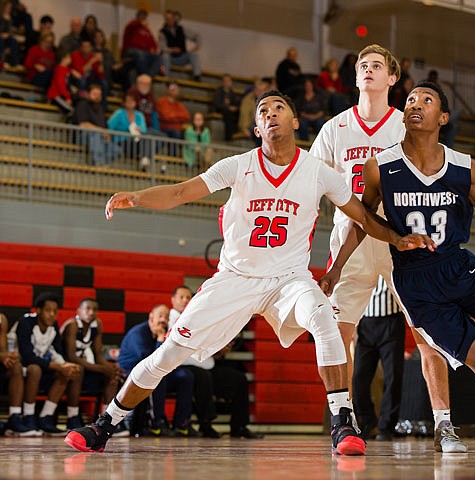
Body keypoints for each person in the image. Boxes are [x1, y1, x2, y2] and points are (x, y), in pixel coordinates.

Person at [64, 89, 433, 454]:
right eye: (263, 111)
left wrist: (398, 239)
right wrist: (138, 197)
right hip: (234, 278)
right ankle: (105, 423)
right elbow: (180, 193)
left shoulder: (318, 171)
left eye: (278, 107)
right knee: (170, 352)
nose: (270, 113)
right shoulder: (238, 165)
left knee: (325, 316)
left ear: (294, 121)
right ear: (257, 128)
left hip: (289, 279)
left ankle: (343, 422)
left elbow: (363, 217)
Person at [321, 81, 475, 455]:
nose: (414, 104)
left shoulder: (462, 167)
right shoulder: (380, 167)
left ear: (443, 117)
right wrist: (338, 266)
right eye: (409, 100)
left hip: (460, 268)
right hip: (417, 284)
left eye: (426, 100)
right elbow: (363, 220)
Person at [309, 44, 467, 453]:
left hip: (402, 241)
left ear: (392, 79)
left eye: (377, 66)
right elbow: (310, 187)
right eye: (363, 65)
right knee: (335, 332)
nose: (368, 70)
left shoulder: (407, 125)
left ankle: (444, 425)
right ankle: (342, 418)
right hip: (352, 239)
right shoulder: (335, 128)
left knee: (426, 334)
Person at [168, 286, 262, 439]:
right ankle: (206, 425)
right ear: (173, 300)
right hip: (185, 367)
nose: (185, 300)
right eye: (181, 297)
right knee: (202, 376)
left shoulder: (196, 316)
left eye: (188, 297)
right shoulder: (171, 319)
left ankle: (239, 426)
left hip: (205, 364)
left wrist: (218, 349)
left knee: (238, 379)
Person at [117, 305, 194, 436]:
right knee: (157, 376)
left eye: (166, 317)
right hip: (131, 373)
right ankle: (156, 423)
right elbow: (151, 362)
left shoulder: (166, 332)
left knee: (185, 376)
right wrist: (159, 340)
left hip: (153, 371)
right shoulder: (138, 334)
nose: (163, 320)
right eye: (160, 316)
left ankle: (181, 423)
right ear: (151, 317)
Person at [17, 293, 83, 435]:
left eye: (55, 311)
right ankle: (28, 416)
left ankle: (45, 417)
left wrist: (65, 366)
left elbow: (56, 351)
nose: (52, 314)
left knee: (68, 371)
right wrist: (58, 366)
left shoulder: (53, 326)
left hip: (41, 366)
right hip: (17, 366)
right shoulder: (26, 322)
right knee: (35, 369)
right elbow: (27, 356)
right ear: (38, 310)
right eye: (48, 310)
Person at [352, 277, 405, 441]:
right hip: (366, 324)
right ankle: (368, 421)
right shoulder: (362, 260)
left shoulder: (394, 256)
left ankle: (386, 426)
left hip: (391, 321)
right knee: (359, 378)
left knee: (393, 377)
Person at [60, 298, 122, 419]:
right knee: (79, 370)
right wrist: (100, 368)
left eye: (94, 309)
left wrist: (109, 368)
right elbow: (71, 356)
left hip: (84, 364)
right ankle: (72, 417)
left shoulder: (97, 324)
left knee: (112, 374)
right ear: (78, 311)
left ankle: (108, 418)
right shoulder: (72, 325)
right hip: (65, 365)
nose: (91, 312)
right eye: (87, 309)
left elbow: (98, 355)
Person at [0, 311, 39, 436]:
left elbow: (3, 350)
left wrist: (7, 357)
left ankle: (15, 417)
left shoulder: (1, 319)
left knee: (16, 366)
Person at [73, 83, 121, 166]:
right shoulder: (82, 104)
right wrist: (101, 131)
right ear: (88, 94)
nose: (97, 97)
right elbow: (83, 124)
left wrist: (106, 134)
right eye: (94, 94)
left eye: (99, 95)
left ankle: (103, 162)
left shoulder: (100, 108)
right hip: (82, 136)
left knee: (117, 150)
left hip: (100, 137)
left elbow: (105, 126)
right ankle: (97, 162)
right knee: (96, 135)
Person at [159, 9, 201, 81]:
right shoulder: (162, 32)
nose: (169, 20)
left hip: (182, 57)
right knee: (165, 55)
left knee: (194, 54)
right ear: (165, 20)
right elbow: (163, 47)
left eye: (171, 18)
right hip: (170, 58)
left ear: (174, 19)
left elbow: (197, 36)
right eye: (167, 19)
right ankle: (166, 78)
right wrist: (172, 50)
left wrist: (197, 46)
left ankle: (197, 76)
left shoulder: (182, 29)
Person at [121, 9, 162, 77]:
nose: (143, 18)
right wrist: (139, 23)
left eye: (144, 17)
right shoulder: (132, 26)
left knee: (158, 58)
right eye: (141, 16)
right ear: (137, 17)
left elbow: (154, 44)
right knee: (141, 54)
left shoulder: (147, 31)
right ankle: (144, 76)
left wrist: (153, 49)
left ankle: (149, 76)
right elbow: (131, 26)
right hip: (131, 50)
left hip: (145, 53)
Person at [238, 78, 269, 145]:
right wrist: (244, 128)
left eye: (263, 91)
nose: (261, 92)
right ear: (255, 90)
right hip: (251, 125)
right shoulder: (248, 100)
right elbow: (244, 115)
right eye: (259, 90)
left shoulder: (266, 101)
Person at [213, 74, 240, 141]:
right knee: (228, 115)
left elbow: (235, 103)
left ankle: (236, 134)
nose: (228, 83)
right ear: (223, 82)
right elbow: (217, 104)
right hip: (221, 110)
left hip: (230, 110)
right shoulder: (219, 92)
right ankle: (228, 137)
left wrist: (234, 108)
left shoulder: (232, 92)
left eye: (229, 81)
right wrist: (227, 107)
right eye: (226, 81)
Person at [0, 1, 20, 67]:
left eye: (10, 7)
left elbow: (10, 31)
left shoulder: (10, 17)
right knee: (1, 41)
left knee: (14, 41)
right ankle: (2, 61)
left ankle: (16, 64)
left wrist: (8, 34)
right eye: (7, 7)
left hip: (6, 36)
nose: (9, 9)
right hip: (1, 36)